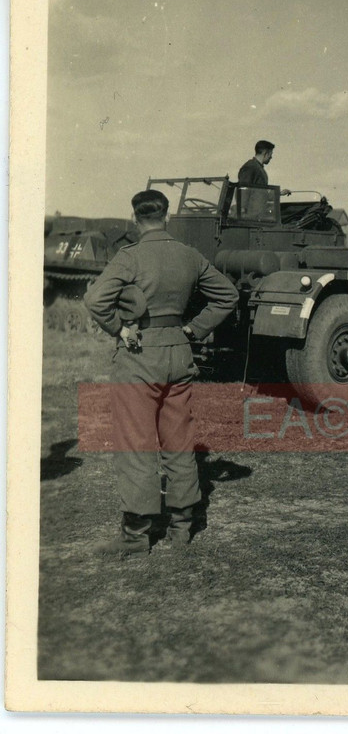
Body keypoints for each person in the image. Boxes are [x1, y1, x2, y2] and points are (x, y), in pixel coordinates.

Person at [84, 189, 239, 557]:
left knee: (136, 444)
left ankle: (136, 536)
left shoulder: (130, 256)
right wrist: (195, 328)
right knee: (179, 441)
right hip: (179, 353)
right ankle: (182, 528)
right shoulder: (189, 255)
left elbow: (95, 299)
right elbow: (228, 295)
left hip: (140, 356)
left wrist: (119, 328)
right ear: (166, 217)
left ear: (135, 218)